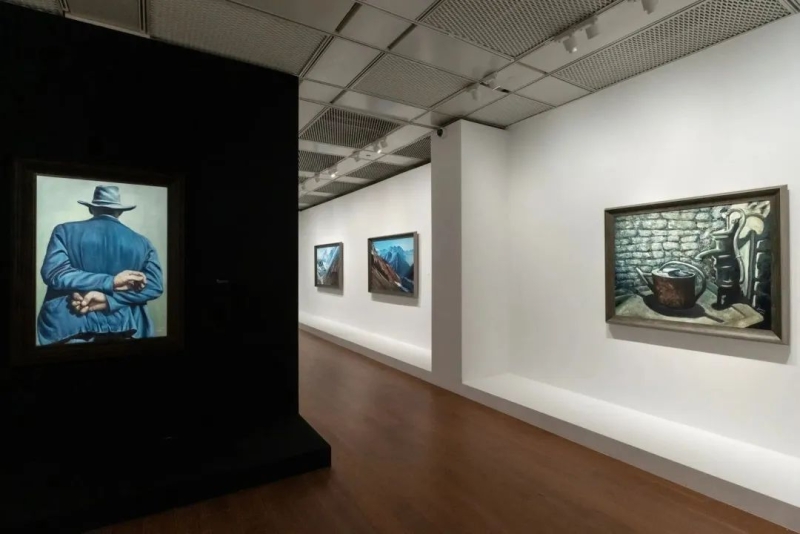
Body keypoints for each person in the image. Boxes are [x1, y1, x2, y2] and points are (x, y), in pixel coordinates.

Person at [37, 185, 164, 345]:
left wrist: (108, 291)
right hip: (127, 328)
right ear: (120, 212)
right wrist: (111, 293)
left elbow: (55, 273)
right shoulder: (143, 243)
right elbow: (154, 285)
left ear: (91, 209)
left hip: (68, 326)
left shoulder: (64, 231)